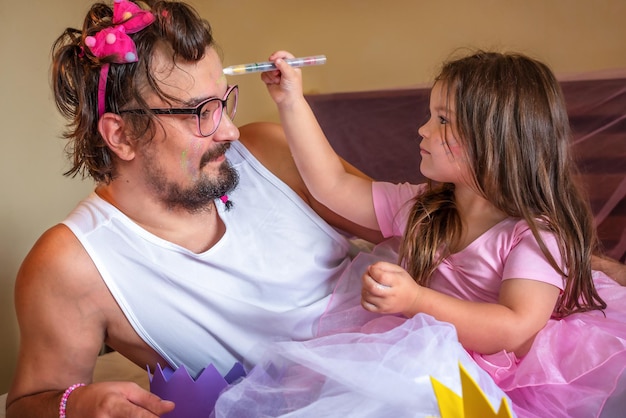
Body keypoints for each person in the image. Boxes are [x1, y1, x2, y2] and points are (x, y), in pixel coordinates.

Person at [6, 1, 389, 417]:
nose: (230, 130)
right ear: (121, 135)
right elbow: (28, 403)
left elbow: (429, 233)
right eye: (199, 112)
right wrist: (75, 405)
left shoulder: (271, 154)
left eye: (223, 103)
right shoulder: (71, 266)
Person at [216, 50, 626, 417]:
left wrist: (415, 299)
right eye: (432, 116)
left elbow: (514, 328)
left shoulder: (535, 234)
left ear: (495, 140)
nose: (423, 129)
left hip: (508, 377)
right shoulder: (425, 208)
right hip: (424, 354)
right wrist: (291, 102)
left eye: (442, 120)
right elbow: (333, 186)